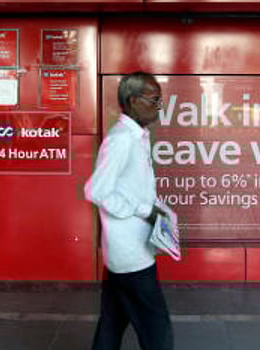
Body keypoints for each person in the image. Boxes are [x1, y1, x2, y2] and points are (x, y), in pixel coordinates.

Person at [85, 71, 174, 350]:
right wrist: (143, 210)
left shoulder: (137, 136)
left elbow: (131, 187)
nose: (159, 107)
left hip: (128, 252)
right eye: (154, 100)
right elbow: (95, 190)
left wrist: (158, 212)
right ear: (134, 101)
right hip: (131, 255)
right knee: (156, 328)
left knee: (112, 322)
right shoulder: (122, 139)